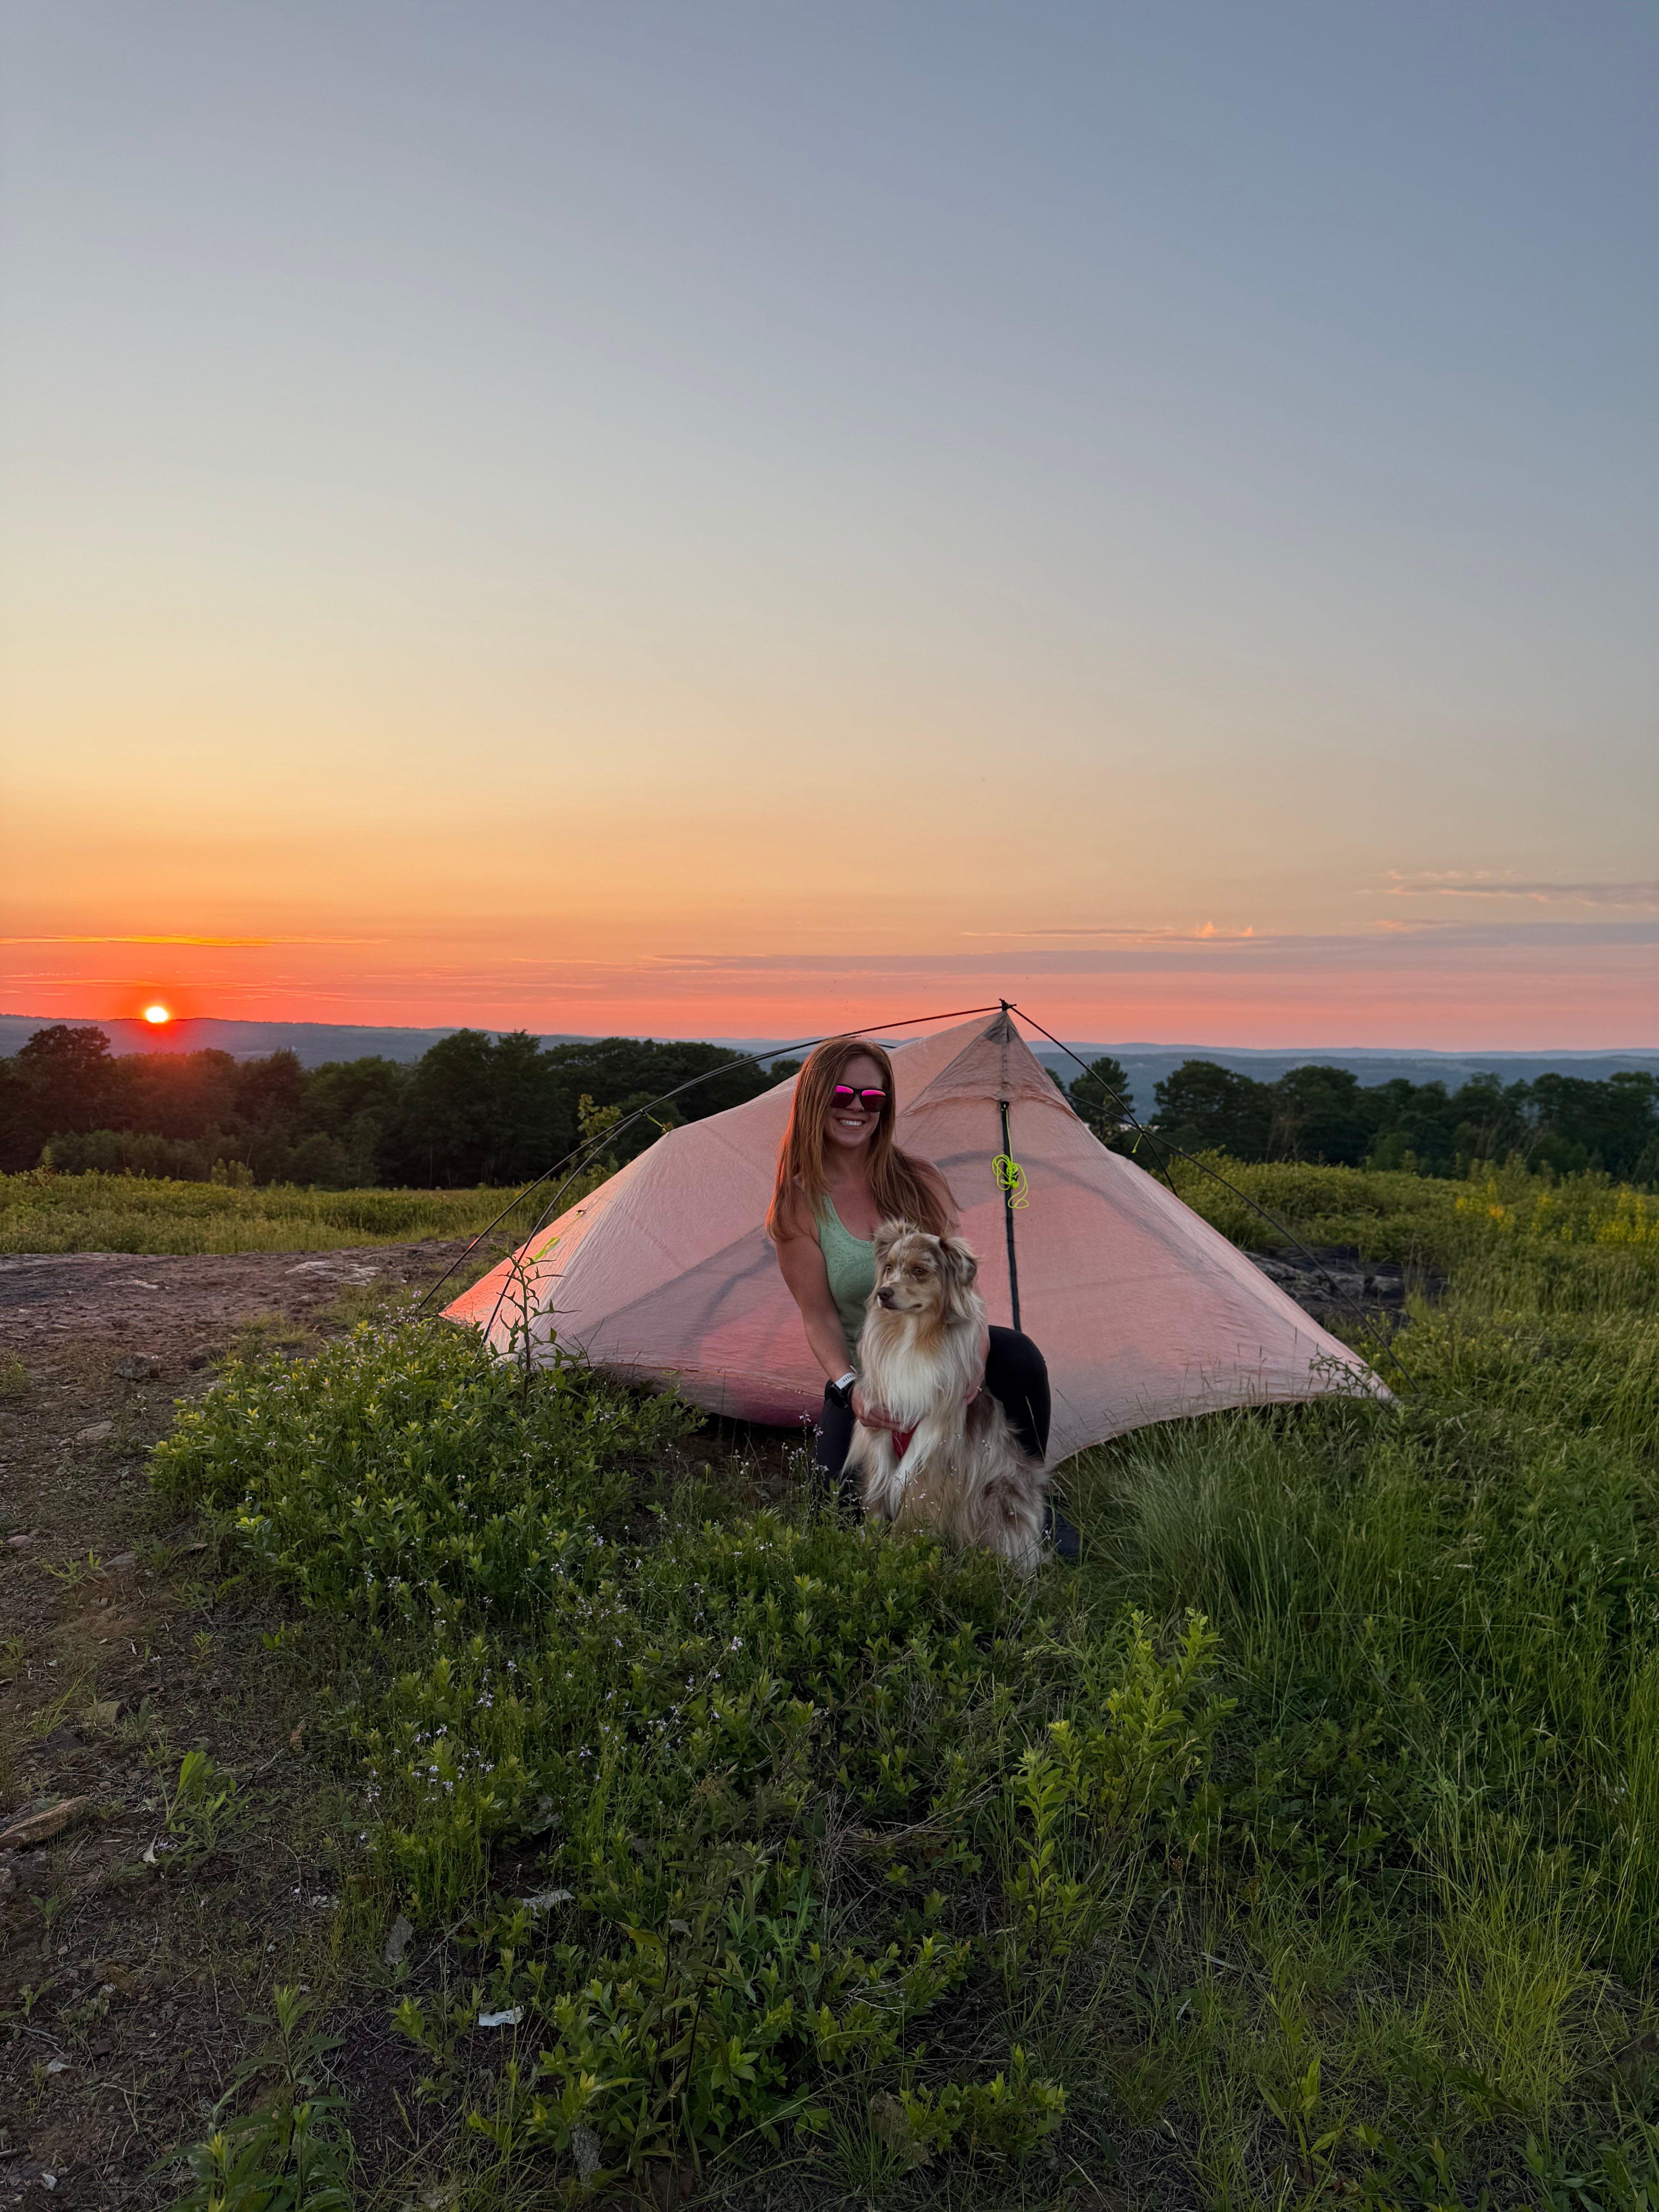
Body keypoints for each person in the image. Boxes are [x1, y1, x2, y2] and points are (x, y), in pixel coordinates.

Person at [766, 1034, 1075, 1554]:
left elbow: (961, 1291)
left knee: (1017, 1356)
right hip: (873, 1373)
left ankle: (1025, 1497)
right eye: (844, 1095)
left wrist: (973, 1362)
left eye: (873, 1098)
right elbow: (818, 1316)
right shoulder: (798, 1203)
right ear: (816, 1098)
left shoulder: (917, 1179)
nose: (857, 1109)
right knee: (839, 1510)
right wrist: (850, 1387)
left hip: (941, 1350)